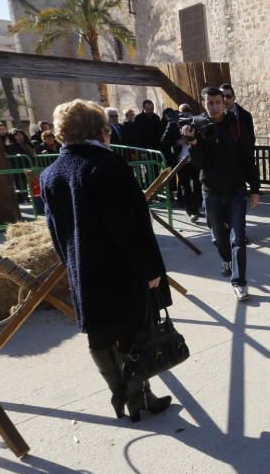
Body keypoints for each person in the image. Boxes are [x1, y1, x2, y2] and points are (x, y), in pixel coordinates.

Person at [40, 99, 173, 422]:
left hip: (84, 270)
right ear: (101, 131)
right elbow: (132, 227)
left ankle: (122, 396)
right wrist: (150, 270)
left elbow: (56, 231)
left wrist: (71, 266)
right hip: (120, 270)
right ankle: (139, 398)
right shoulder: (107, 166)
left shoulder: (51, 174)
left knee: (100, 336)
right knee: (133, 335)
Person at [184, 86, 260, 301]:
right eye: (210, 103)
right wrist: (193, 142)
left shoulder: (236, 124)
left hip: (236, 190)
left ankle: (239, 282)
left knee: (238, 238)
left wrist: (254, 189)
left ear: (224, 103)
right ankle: (225, 258)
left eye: (219, 102)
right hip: (211, 191)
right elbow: (198, 164)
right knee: (219, 238)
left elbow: (248, 156)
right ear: (204, 103)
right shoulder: (198, 125)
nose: (215, 107)